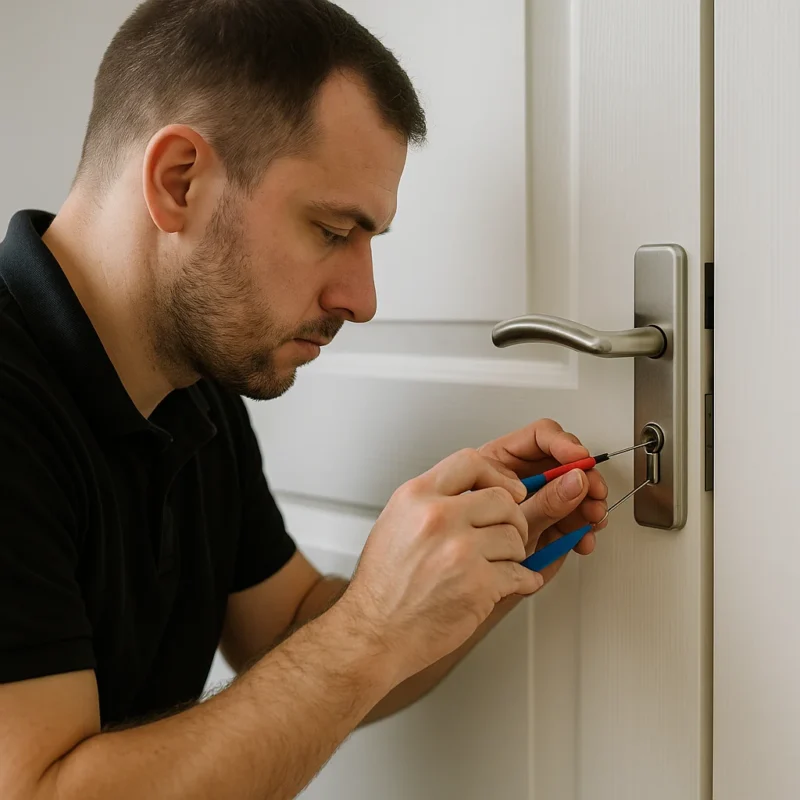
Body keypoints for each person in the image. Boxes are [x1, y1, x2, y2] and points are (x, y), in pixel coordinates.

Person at [0, 1, 608, 798]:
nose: (362, 299)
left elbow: (289, 635)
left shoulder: (196, 393)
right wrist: (371, 625)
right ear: (178, 181)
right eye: (330, 230)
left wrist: (486, 557)